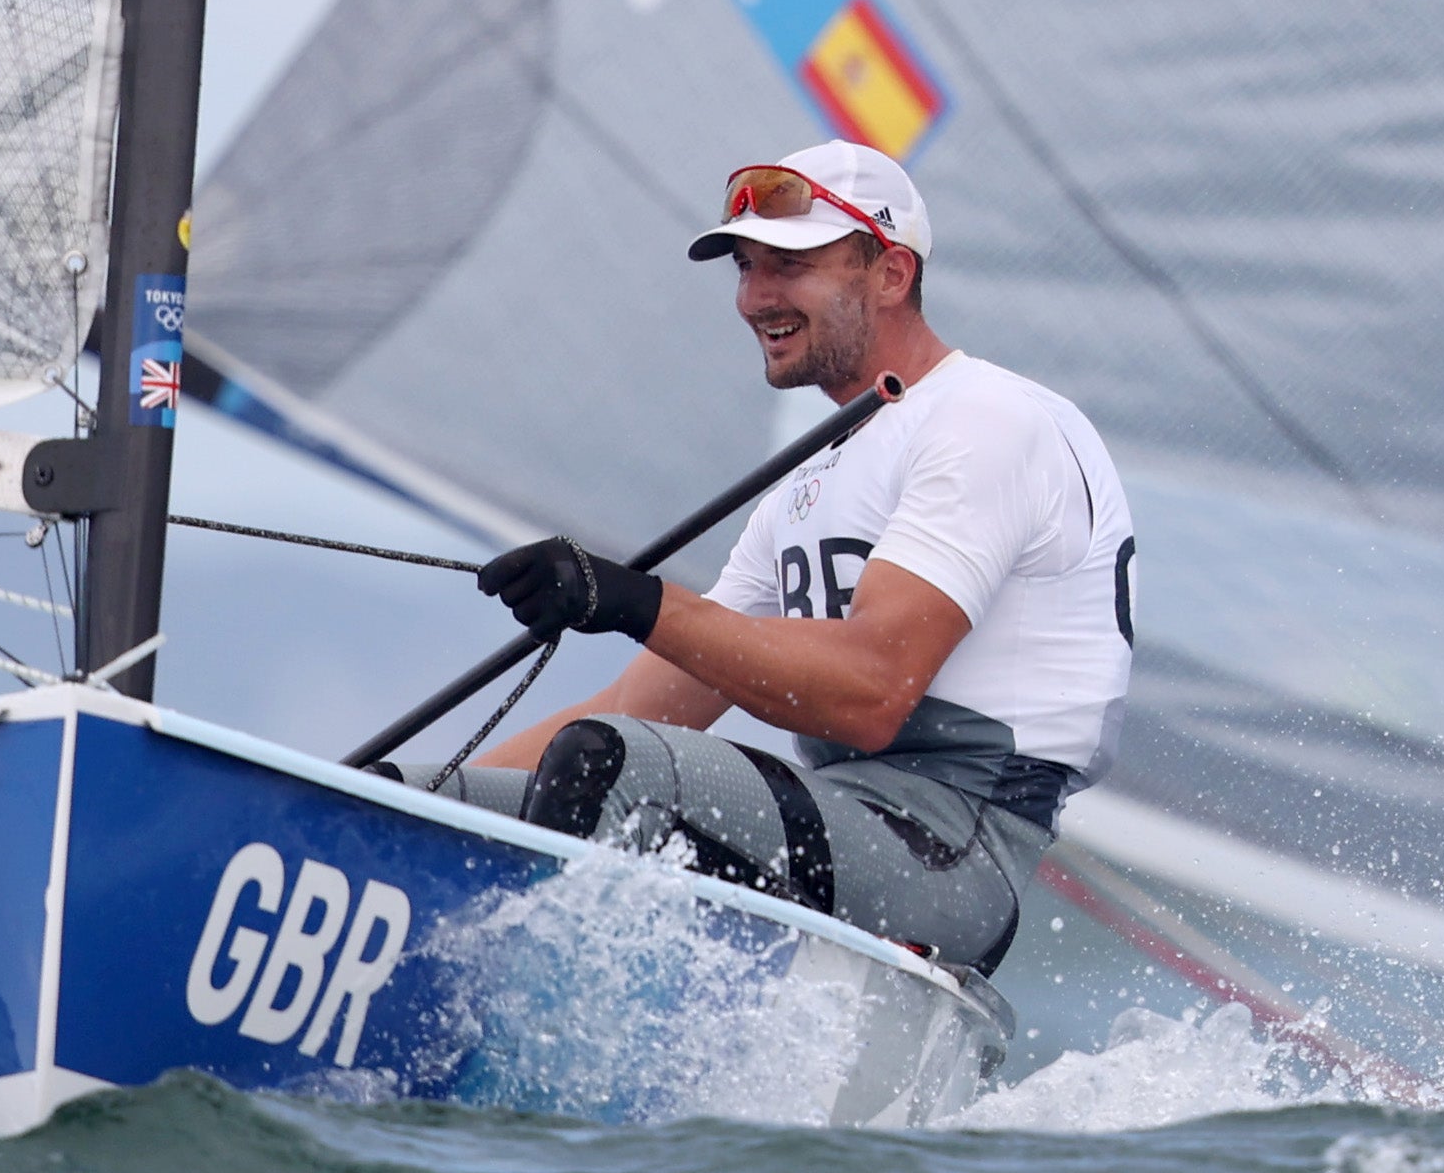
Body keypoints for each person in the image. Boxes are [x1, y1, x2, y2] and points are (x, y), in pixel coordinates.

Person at [450, 140, 1132, 973]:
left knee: (610, 766)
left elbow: (873, 692)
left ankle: (513, 1053)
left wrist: (630, 601)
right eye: (746, 266)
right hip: (846, 823)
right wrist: (404, 799)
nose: (755, 297)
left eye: (791, 264)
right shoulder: (812, 479)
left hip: (952, 850)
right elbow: (649, 703)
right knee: (446, 795)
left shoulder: (988, 420)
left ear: (890, 273)